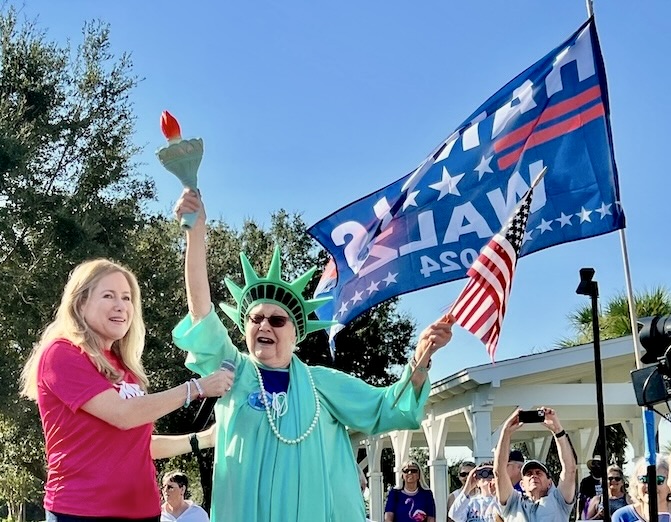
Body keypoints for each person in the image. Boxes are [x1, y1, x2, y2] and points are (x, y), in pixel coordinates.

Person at [172, 190, 456, 522]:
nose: (264, 325)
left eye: (277, 320)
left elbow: (385, 407)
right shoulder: (230, 371)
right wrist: (196, 234)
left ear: (295, 334)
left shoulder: (321, 384)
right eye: (255, 318)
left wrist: (420, 360)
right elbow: (202, 314)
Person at [20, 259, 232, 521]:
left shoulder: (124, 367)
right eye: (108, 296)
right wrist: (197, 387)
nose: (121, 306)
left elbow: (139, 446)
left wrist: (205, 439)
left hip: (143, 512)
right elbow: (123, 415)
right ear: (80, 303)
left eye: (127, 298)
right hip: (82, 513)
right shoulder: (62, 353)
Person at [494, 407, 577, 522]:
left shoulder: (559, 501)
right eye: (528, 473)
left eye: (539, 472)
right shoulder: (512, 503)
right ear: (522, 484)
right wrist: (506, 432)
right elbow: (499, 472)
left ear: (549, 483)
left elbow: (570, 470)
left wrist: (558, 430)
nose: (534, 475)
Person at [611, 456, 669, 522]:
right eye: (644, 479)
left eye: (658, 480)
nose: (650, 485)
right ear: (636, 484)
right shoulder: (622, 517)